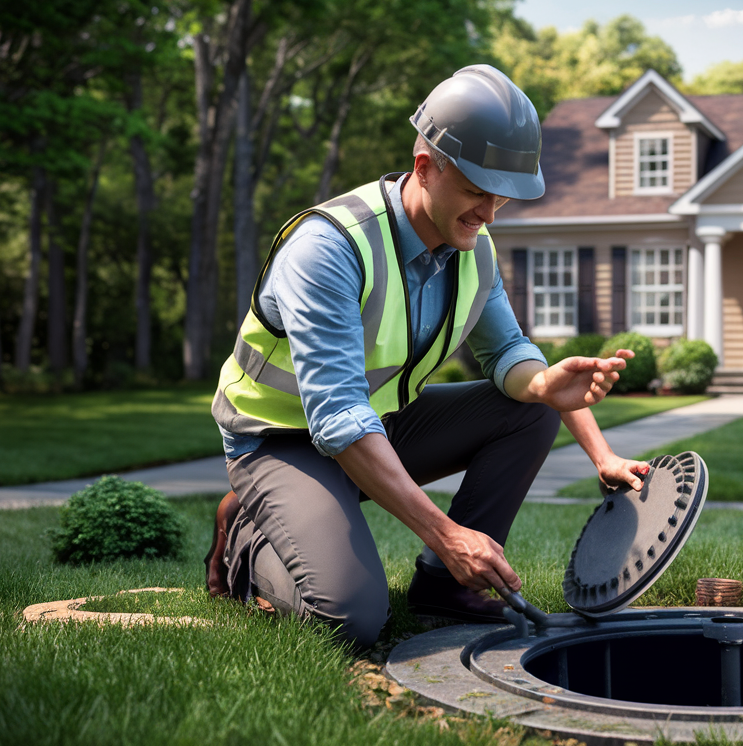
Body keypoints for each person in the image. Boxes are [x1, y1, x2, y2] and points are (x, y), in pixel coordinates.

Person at [204, 64, 649, 649]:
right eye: (475, 190)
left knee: (527, 409)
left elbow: (508, 351)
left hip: (379, 424)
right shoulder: (328, 249)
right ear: (425, 168)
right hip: (282, 438)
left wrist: (575, 422)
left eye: (502, 197)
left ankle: (447, 587)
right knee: (351, 619)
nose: (489, 212)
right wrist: (447, 532)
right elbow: (337, 418)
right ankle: (246, 534)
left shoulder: (472, 247)